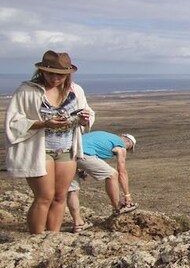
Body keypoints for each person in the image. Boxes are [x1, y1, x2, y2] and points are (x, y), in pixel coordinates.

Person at [4, 51, 93, 234]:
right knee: (44, 196)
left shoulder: (76, 91)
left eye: (60, 75)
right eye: (50, 73)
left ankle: (53, 237)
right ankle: (37, 239)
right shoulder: (27, 91)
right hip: (39, 149)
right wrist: (44, 123)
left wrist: (84, 119)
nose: (55, 78)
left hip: (66, 148)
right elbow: (14, 121)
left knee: (60, 197)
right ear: (42, 71)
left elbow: (86, 113)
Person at [66, 131, 138, 231]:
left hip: (67, 154)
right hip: (83, 154)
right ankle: (118, 207)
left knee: (73, 190)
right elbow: (122, 171)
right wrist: (127, 195)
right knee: (112, 174)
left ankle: (78, 224)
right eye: (129, 148)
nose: (127, 149)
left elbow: (87, 146)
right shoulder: (120, 145)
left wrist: (81, 169)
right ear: (128, 143)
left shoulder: (104, 136)